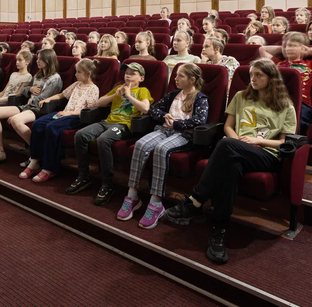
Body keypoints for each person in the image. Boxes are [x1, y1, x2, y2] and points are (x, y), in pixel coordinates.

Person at [166, 59, 297, 264]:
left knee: (226, 146)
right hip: (236, 149)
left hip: (266, 155)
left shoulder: (286, 106)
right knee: (231, 166)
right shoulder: (241, 96)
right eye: (251, 75)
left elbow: (284, 142)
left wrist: (257, 141)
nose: (253, 79)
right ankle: (218, 231)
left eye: (258, 75)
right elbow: (228, 127)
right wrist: (237, 142)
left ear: (271, 78)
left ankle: (195, 201)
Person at [118, 64, 208, 229]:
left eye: (180, 76)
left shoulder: (200, 98)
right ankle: (132, 195)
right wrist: (164, 115)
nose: (175, 78)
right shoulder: (173, 94)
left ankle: (156, 202)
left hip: (184, 134)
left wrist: (177, 124)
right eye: (176, 75)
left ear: (192, 80)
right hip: (164, 130)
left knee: (161, 149)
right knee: (140, 144)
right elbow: (153, 110)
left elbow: (199, 120)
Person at [67, 62, 153, 205]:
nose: (128, 76)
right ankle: (83, 176)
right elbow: (99, 103)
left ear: (141, 78)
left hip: (125, 125)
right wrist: (115, 95)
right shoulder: (119, 88)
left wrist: (128, 95)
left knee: (103, 140)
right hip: (107, 122)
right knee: (81, 135)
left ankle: (107, 183)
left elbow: (145, 108)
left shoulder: (142, 90)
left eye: (132, 74)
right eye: (126, 73)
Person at [22, 59, 101, 183]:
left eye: (79, 72)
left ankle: (49, 168)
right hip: (65, 113)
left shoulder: (93, 89)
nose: (76, 74)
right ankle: (35, 160)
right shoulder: (77, 84)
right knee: (38, 124)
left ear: (88, 73)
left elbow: (88, 111)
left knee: (52, 127)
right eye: (76, 71)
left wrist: (68, 113)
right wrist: (48, 99)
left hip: (77, 117)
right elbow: (62, 95)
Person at [0, 49, 62, 167]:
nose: (37, 61)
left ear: (48, 60)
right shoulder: (38, 75)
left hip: (39, 110)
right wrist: (30, 89)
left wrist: (28, 96)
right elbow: (24, 90)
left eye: (40, 59)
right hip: (27, 106)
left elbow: (42, 99)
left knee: (15, 120)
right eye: (38, 58)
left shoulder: (55, 79)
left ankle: (38, 152)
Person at [260, 32, 312, 132]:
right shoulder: (277, 63)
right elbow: (262, 49)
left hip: (301, 103)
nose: (288, 48)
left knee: (295, 121)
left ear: (302, 48)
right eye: (286, 46)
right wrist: (283, 48)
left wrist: (309, 50)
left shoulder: (311, 64)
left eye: (293, 46)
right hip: (277, 100)